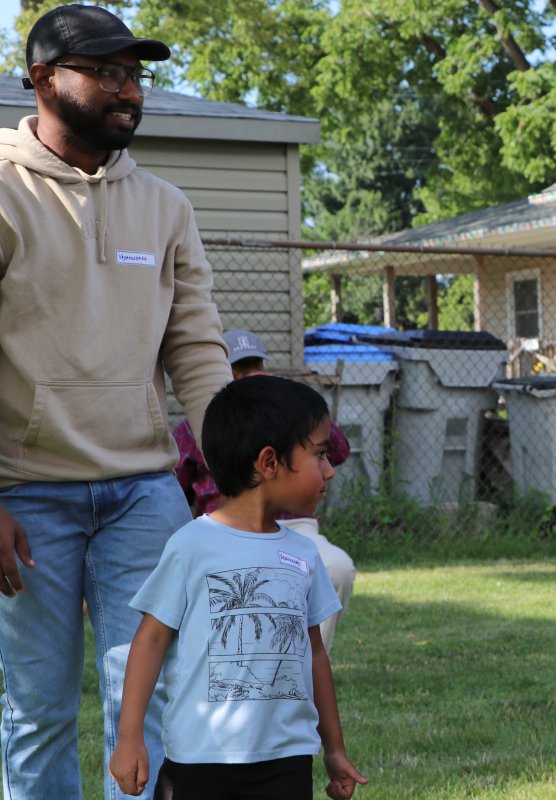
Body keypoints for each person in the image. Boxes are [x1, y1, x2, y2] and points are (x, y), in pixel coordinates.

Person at [0, 6, 232, 798]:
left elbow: (196, 347)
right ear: (43, 80)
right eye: (106, 72)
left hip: (142, 493)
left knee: (153, 699)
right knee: (38, 709)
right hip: (26, 495)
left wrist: (238, 472)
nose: (128, 90)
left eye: (134, 75)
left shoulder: (165, 207)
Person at [109, 375, 367, 799]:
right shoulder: (191, 545)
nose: (330, 470)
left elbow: (315, 654)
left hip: (287, 762)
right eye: (320, 454)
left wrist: (334, 749)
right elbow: (151, 639)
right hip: (199, 764)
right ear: (269, 462)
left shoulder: (303, 554)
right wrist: (130, 737)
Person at [173, 328, 357, 651]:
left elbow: (338, 450)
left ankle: (304, 665)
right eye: (240, 369)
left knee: (336, 567)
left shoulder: (289, 418)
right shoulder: (197, 425)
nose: (250, 375)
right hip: (227, 529)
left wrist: (286, 402)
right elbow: (177, 489)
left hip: (293, 525)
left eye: (256, 365)